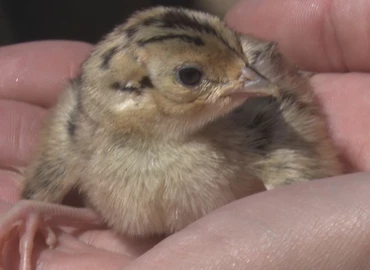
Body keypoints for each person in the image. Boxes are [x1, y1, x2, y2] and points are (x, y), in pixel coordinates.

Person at [1, 0, 370, 268]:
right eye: (190, 78)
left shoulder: (261, 131)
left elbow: (308, 189)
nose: (255, 81)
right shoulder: (85, 131)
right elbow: (53, 169)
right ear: (133, 93)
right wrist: (35, 206)